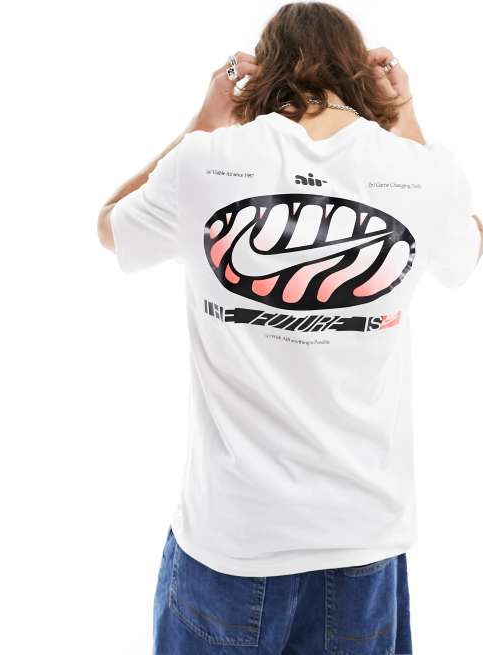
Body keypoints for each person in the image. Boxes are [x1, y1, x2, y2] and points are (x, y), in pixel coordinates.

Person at [97, 2, 483, 653]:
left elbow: (110, 224)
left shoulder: (204, 160)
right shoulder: (424, 171)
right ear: (359, 72)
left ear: (265, 70)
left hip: (230, 539)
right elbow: (465, 253)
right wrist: (406, 119)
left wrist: (202, 122)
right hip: (361, 537)